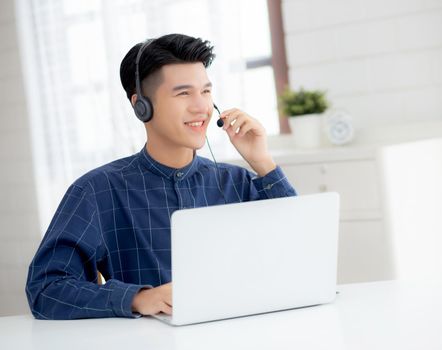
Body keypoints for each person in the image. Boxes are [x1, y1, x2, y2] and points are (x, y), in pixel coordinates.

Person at [25, 33, 297, 320]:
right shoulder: (97, 190)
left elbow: (300, 254)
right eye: (183, 93)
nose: (201, 107)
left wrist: (262, 162)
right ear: (141, 106)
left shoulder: (236, 182)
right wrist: (138, 298)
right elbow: (46, 290)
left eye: (205, 91)